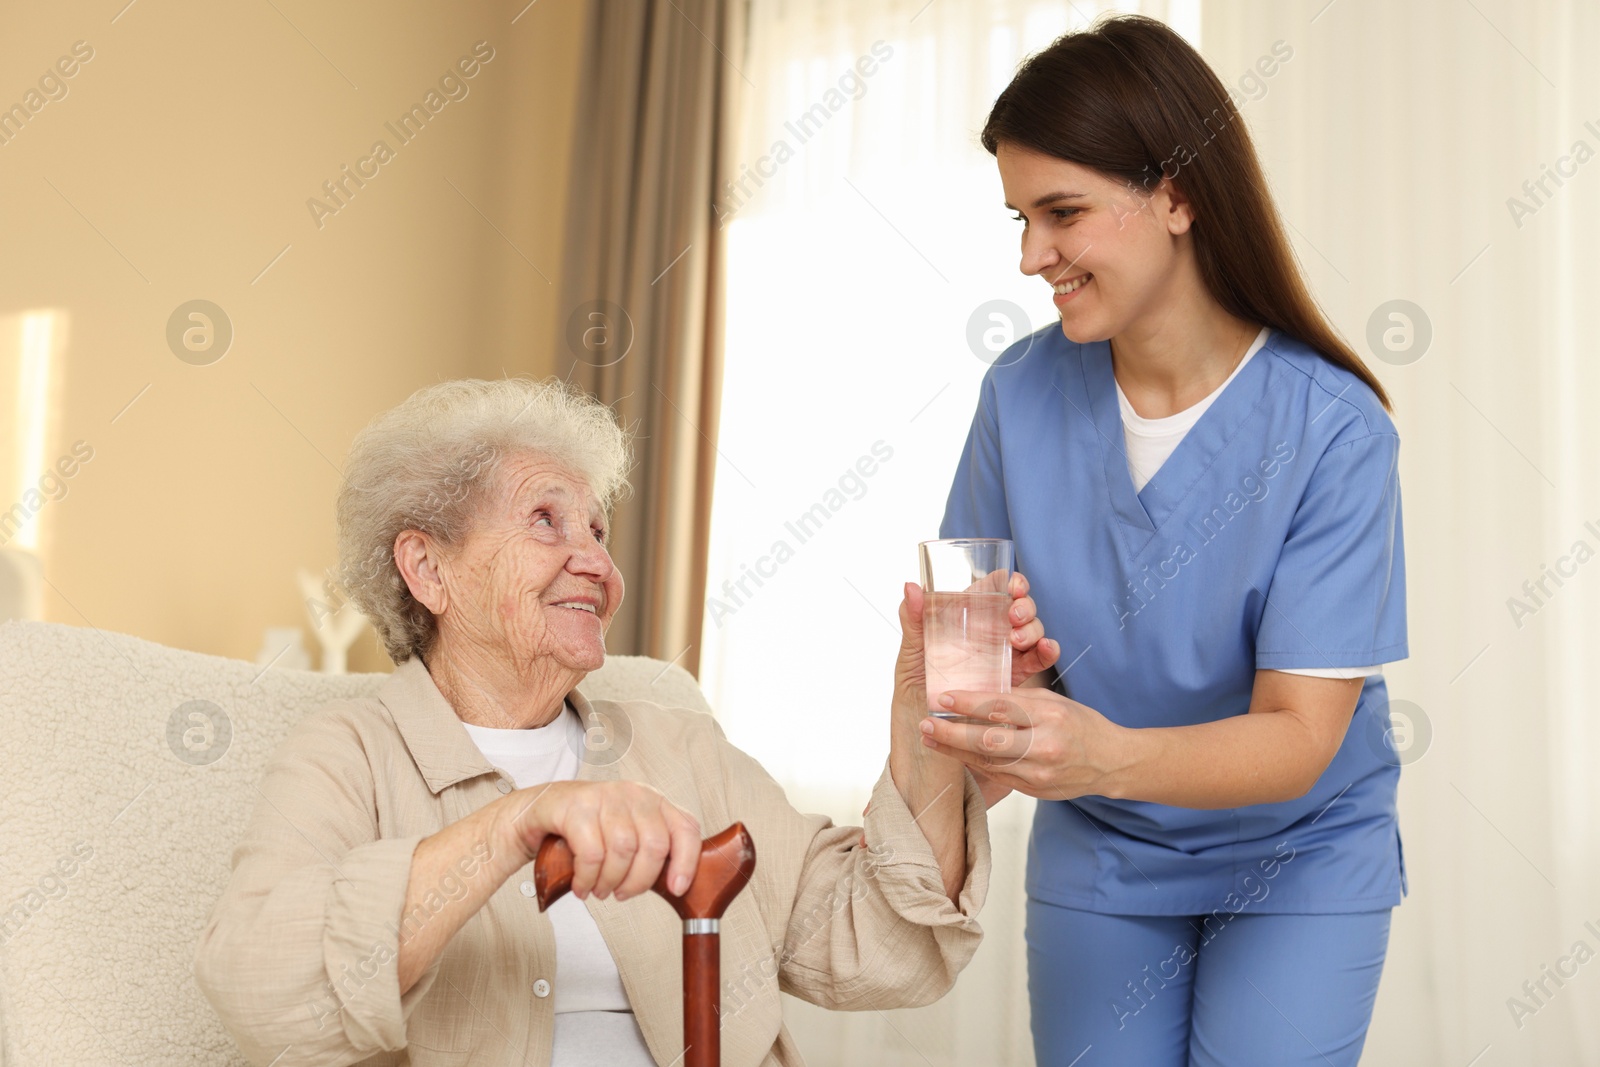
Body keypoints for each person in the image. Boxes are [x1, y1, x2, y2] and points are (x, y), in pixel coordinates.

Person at [192, 376, 1059, 1067]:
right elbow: (265, 991)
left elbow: (878, 946)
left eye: (600, 530)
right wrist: (513, 824)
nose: (599, 563)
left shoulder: (676, 742)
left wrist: (927, 726)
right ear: (427, 568)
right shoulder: (349, 756)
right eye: (546, 521)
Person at [917, 15, 1409, 1067]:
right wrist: (1006, 692)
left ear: (1177, 195)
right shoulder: (1020, 394)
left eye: (1061, 213)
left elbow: (1298, 732)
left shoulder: (1330, 427)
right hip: (1105, 841)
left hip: (1295, 851)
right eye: (1019, 217)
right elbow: (993, 648)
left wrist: (1102, 752)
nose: (1028, 256)